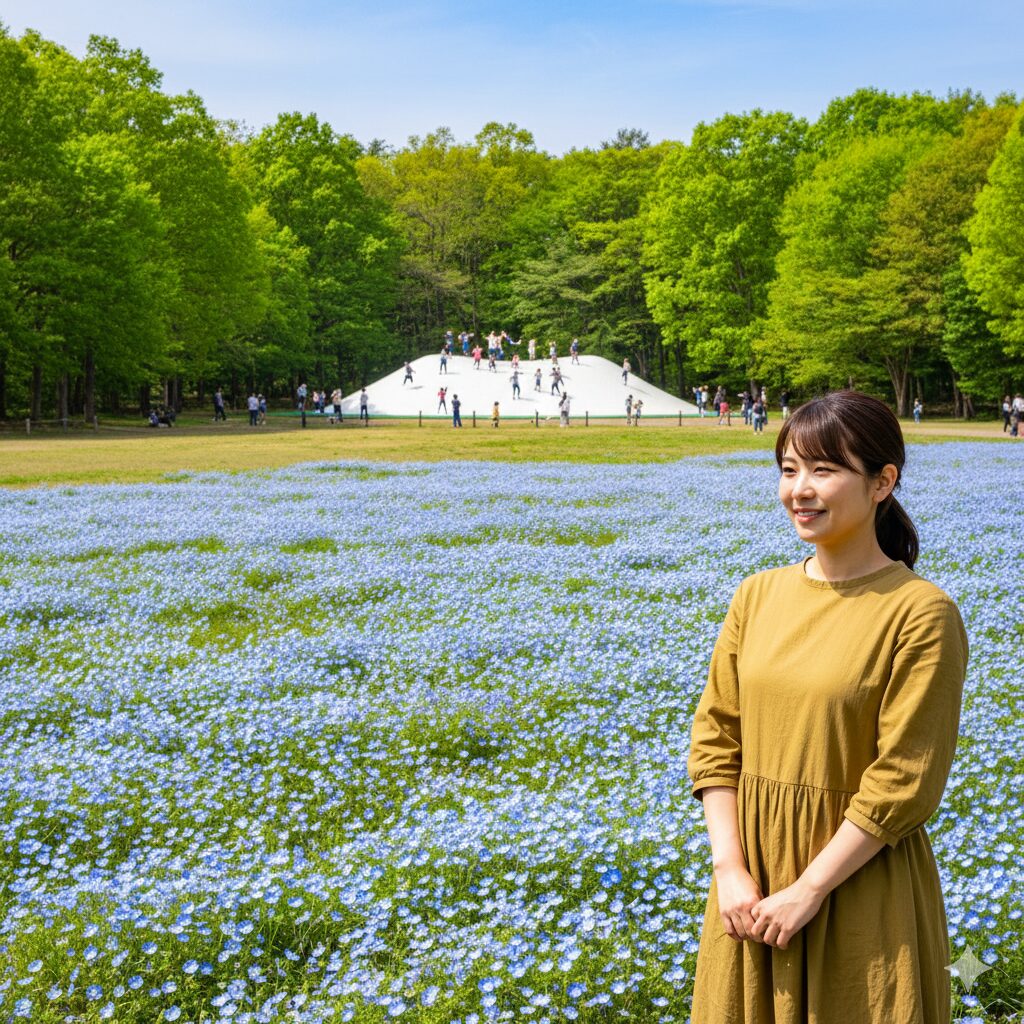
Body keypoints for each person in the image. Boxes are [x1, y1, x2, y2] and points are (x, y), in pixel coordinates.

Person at [687, 390, 968, 1024]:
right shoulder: (756, 595)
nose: (800, 490)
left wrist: (809, 889)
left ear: (882, 483)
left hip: (857, 886)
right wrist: (730, 870)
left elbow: (905, 778)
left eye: (824, 469)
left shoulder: (921, 612)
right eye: (789, 470)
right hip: (750, 890)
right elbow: (716, 740)